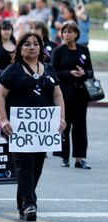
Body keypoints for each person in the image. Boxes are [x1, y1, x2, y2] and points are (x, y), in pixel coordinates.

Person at [0, 31, 66, 221]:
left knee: (37, 167)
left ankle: (23, 203)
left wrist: (61, 118)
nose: (32, 47)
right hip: (19, 129)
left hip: (43, 130)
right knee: (23, 164)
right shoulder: (13, 70)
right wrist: (3, 119)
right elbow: (0, 95)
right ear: (20, 49)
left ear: (41, 48)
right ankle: (30, 203)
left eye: (36, 44)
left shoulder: (49, 69)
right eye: (27, 44)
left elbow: (58, 95)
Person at [51, 21, 93, 169]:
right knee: (65, 126)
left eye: (69, 32)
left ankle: (80, 158)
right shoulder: (59, 51)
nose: (66, 34)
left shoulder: (83, 50)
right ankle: (64, 157)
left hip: (81, 94)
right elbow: (53, 72)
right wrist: (69, 73)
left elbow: (90, 71)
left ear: (76, 34)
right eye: (64, 32)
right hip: (65, 94)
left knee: (80, 127)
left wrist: (84, 73)